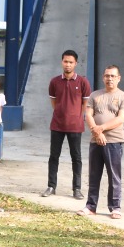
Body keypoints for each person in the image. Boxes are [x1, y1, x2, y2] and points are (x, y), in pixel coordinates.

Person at [80, 66, 124, 219]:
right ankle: (90, 206)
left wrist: (100, 129)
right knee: (94, 175)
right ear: (103, 78)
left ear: (118, 78)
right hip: (95, 141)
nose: (109, 78)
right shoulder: (95, 95)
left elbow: (121, 118)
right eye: (107, 76)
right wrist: (96, 132)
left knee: (114, 175)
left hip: (114, 141)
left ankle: (115, 207)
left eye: (113, 76)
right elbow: (88, 115)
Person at [44, 50, 92, 199]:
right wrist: (61, 112)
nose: (68, 64)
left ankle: (76, 188)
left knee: (76, 157)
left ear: (76, 63)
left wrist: (76, 116)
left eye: (71, 62)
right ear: (62, 62)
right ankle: (51, 186)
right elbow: (54, 101)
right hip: (57, 125)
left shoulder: (83, 82)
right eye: (65, 61)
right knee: (54, 156)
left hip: (75, 126)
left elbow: (85, 103)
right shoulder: (54, 81)